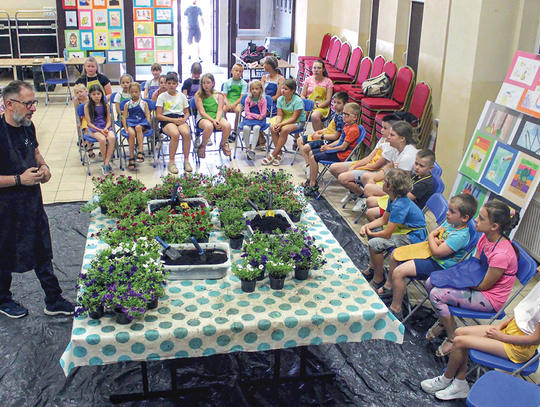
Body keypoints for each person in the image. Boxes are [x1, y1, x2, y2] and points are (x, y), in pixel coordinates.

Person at [0, 80, 75, 318]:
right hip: (6, 208)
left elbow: (35, 152)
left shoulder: (27, 126)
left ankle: (53, 299)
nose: (33, 108)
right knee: (4, 253)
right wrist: (19, 179)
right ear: (9, 104)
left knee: (43, 250)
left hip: (32, 202)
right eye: (28, 103)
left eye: (34, 102)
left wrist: (44, 166)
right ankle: (2, 299)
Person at [420, 272, 540, 401]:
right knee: (459, 332)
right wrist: (501, 326)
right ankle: (460, 383)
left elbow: (534, 339)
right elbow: (521, 311)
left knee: (460, 341)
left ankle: (445, 378)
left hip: (518, 347)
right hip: (509, 330)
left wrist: (501, 337)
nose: (538, 268)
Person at [423, 201, 520, 357]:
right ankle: (444, 321)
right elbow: (474, 264)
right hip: (477, 280)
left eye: (481, 218)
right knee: (430, 282)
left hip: (490, 297)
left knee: (437, 294)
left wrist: (456, 282)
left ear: (494, 226)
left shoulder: (501, 255)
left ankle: (452, 336)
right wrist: (454, 278)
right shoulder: (486, 237)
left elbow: (484, 286)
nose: (475, 220)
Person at [379, 194, 478, 320]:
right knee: (395, 254)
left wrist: (432, 237)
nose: (447, 213)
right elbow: (436, 241)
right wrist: (435, 240)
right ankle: (389, 287)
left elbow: (437, 252)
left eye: (452, 212)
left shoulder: (460, 236)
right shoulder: (450, 223)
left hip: (439, 265)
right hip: (430, 254)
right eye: (448, 209)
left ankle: (396, 309)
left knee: (399, 272)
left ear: (464, 218)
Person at [360, 168, 427, 290]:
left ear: (390, 187)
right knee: (373, 235)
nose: (382, 183)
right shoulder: (393, 199)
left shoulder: (400, 205)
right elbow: (383, 220)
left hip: (414, 236)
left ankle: (378, 278)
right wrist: (366, 226)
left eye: (384, 181)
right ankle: (374, 267)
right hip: (406, 230)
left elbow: (386, 234)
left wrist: (371, 233)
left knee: (375, 242)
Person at [332, 114, 400, 209]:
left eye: (385, 128)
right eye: (382, 127)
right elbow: (369, 158)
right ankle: (353, 191)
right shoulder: (382, 139)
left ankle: (361, 196)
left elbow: (376, 166)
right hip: (368, 165)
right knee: (333, 168)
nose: (381, 130)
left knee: (342, 178)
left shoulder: (391, 146)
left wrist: (356, 168)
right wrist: (355, 166)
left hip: (373, 170)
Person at [355, 120, 419, 214]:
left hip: (400, 191)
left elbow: (401, 183)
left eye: (392, 135)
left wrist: (384, 182)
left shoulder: (407, 157)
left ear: (402, 138)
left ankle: (383, 212)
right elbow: (388, 167)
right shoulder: (398, 149)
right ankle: (376, 208)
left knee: (369, 188)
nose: (388, 137)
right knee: (367, 177)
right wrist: (374, 178)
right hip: (393, 181)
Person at [303, 102, 362, 197]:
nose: (344, 116)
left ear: (355, 117)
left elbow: (343, 147)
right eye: (343, 113)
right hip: (337, 150)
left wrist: (329, 148)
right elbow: (339, 140)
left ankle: (313, 185)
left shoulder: (353, 130)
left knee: (314, 157)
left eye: (347, 114)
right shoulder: (347, 125)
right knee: (310, 153)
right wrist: (328, 147)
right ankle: (311, 179)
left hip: (341, 155)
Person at [365, 149, 436, 222]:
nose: (417, 167)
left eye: (421, 166)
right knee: (370, 201)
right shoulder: (417, 175)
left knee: (370, 213)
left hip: (405, 209)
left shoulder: (425, 184)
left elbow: (406, 198)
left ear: (430, 168)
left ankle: (380, 230)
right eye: (416, 163)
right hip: (400, 200)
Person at [298, 91, 348, 172]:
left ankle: (310, 169)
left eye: (338, 103)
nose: (335, 105)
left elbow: (336, 136)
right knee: (299, 140)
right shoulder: (335, 113)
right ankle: (309, 167)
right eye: (334, 102)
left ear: (345, 104)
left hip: (329, 140)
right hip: (325, 135)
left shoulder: (341, 118)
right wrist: (319, 131)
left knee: (306, 148)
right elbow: (329, 128)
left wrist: (320, 136)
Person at [156, 71, 192, 174]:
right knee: (175, 134)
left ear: (177, 84)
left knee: (186, 133)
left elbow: (186, 112)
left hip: (180, 118)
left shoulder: (181, 96)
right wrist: (173, 120)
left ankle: (186, 160)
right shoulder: (162, 97)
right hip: (167, 120)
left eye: (174, 83)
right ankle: (171, 162)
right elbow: (159, 115)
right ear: (166, 84)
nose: (171, 85)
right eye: (169, 83)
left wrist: (183, 119)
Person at [264, 78, 306, 166]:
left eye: (286, 89)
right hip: (285, 118)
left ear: (292, 91)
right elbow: (279, 115)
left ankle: (274, 154)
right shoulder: (280, 99)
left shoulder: (298, 101)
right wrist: (278, 123)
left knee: (284, 130)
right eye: (282, 88)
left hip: (297, 121)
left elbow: (294, 118)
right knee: (273, 127)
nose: (283, 91)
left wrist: (282, 124)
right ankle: (280, 154)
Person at [194, 72, 232, 158]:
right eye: (203, 83)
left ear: (213, 83)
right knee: (209, 126)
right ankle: (203, 145)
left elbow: (219, 110)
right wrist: (213, 121)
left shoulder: (219, 95)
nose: (206, 85)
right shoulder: (198, 95)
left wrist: (217, 120)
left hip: (216, 116)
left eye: (208, 82)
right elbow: (202, 111)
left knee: (227, 126)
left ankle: (223, 144)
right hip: (204, 117)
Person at [84, 84, 116, 175]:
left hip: (105, 127)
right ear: (90, 95)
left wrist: (106, 128)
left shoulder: (105, 105)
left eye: (98, 94)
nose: (96, 96)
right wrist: (99, 130)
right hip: (94, 128)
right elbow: (89, 123)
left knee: (112, 138)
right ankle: (106, 165)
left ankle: (106, 164)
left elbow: (109, 120)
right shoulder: (87, 107)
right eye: (94, 94)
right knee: (102, 139)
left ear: (102, 94)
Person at [122, 82, 151, 171]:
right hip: (131, 122)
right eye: (132, 92)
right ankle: (131, 157)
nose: (134, 94)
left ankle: (140, 151)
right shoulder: (127, 104)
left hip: (141, 122)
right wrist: (126, 128)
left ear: (139, 92)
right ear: (129, 93)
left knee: (138, 128)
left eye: (136, 92)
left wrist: (147, 125)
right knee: (131, 133)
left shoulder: (144, 103)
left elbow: (148, 116)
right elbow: (124, 118)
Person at [300, 59, 333, 131]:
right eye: (314, 68)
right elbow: (302, 95)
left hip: (321, 106)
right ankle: (296, 138)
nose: (316, 70)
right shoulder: (308, 80)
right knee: (299, 114)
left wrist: (317, 106)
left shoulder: (328, 82)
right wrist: (307, 104)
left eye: (319, 68)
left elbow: (328, 99)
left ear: (323, 69)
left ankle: (319, 137)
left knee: (315, 116)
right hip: (309, 104)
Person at [238, 80, 267, 161]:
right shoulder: (248, 99)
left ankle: (253, 149)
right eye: (252, 89)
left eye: (256, 89)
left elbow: (263, 114)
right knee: (246, 128)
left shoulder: (263, 100)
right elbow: (247, 112)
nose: (254, 90)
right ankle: (247, 148)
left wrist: (252, 116)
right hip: (251, 119)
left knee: (256, 128)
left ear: (261, 90)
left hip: (259, 120)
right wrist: (256, 116)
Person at [223, 63, 248, 142]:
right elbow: (225, 96)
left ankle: (235, 131)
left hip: (238, 101)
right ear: (232, 71)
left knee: (238, 110)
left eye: (240, 71)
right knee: (223, 110)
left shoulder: (244, 83)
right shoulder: (227, 83)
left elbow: (242, 97)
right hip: (229, 100)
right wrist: (227, 103)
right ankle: (227, 129)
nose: (238, 73)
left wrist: (235, 104)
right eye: (236, 70)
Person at [73, 83, 95, 158]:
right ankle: (89, 148)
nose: (79, 94)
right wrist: (78, 121)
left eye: (81, 91)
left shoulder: (90, 99)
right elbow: (77, 113)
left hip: (93, 117)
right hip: (84, 119)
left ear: (86, 91)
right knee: (86, 130)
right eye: (77, 93)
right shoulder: (77, 101)